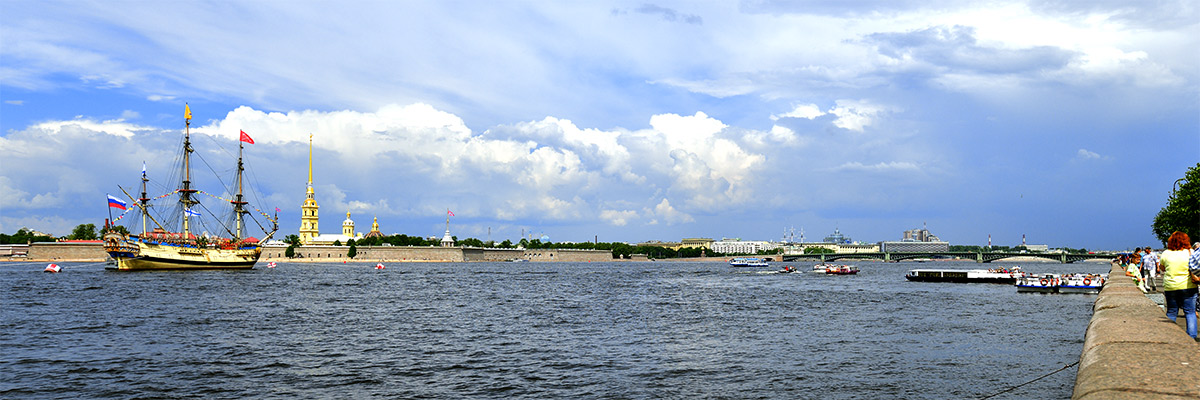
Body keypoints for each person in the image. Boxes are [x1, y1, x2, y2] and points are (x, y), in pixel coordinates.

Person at [1160, 231, 1197, 338]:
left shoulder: (1166, 253)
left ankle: (1168, 336)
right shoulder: (1190, 252)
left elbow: (1162, 268)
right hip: (1188, 286)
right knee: (1190, 312)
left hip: (1170, 286)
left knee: (1171, 312)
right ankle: (1191, 337)